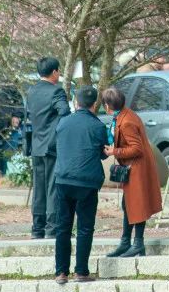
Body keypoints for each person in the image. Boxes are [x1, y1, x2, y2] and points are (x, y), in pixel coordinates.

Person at [51, 86, 108, 285]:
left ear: (76, 103)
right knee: (85, 228)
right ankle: (81, 272)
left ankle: (61, 273)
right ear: (94, 105)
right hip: (87, 182)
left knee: (62, 227)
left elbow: (55, 145)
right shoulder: (99, 127)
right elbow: (102, 153)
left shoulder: (63, 122)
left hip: (64, 180)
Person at [102, 86, 163, 257]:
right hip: (133, 167)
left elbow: (136, 149)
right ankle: (125, 242)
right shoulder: (124, 115)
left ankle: (138, 244)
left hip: (137, 168)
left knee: (137, 205)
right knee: (128, 205)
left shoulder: (127, 121)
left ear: (108, 106)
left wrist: (115, 151)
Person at [26, 57, 71, 239]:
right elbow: (65, 112)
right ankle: (52, 229)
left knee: (39, 188)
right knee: (52, 187)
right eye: (58, 71)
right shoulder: (56, 92)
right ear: (54, 72)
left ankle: (37, 228)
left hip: (36, 146)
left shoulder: (31, 91)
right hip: (52, 145)